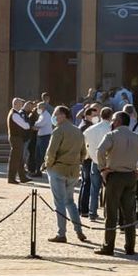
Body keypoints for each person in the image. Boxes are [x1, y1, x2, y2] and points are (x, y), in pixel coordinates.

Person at [94, 109, 138, 255]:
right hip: (130, 176)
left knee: (111, 213)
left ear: (118, 121)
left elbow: (100, 151)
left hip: (114, 176)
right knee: (129, 213)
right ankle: (130, 247)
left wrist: (103, 169)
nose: (112, 123)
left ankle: (108, 246)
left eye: (114, 120)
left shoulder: (111, 136)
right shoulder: (137, 137)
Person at [42, 105, 88, 243]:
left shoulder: (58, 131)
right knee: (70, 202)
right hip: (73, 171)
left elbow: (51, 152)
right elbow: (83, 153)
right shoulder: (78, 131)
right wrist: (77, 163)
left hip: (58, 170)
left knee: (60, 203)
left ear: (63, 115)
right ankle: (79, 231)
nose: (54, 117)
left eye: (56, 114)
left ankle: (61, 233)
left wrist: (47, 165)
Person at [82, 106, 113, 217]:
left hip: (94, 161)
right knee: (109, 189)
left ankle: (92, 212)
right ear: (111, 116)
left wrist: (87, 155)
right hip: (108, 162)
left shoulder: (90, 129)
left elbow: (84, 142)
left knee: (94, 188)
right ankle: (107, 213)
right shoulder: (111, 129)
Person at [6, 98, 31, 184]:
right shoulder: (15, 115)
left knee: (19, 159)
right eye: (20, 104)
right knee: (15, 159)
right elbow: (25, 126)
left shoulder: (15, 113)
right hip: (16, 138)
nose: (21, 106)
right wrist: (28, 124)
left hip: (17, 138)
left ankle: (22, 177)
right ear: (15, 104)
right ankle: (11, 178)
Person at [33, 93, 55, 179]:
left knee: (44, 155)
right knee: (38, 155)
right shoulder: (42, 114)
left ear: (42, 107)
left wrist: (34, 125)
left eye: (38, 107)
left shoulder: (46, 115)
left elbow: (39, 123)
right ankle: (38, 171)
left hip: (45, 137)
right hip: (41, 136)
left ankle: (49, 171)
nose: (37, 109)